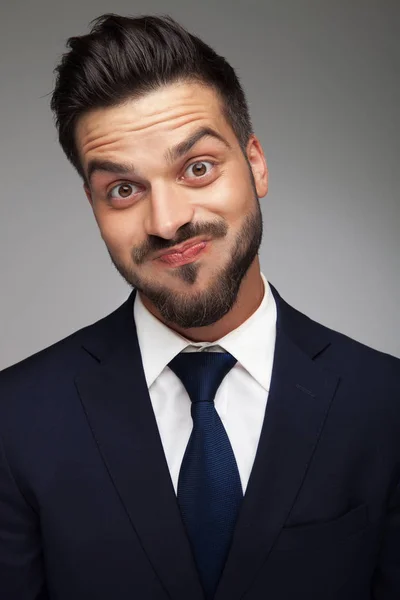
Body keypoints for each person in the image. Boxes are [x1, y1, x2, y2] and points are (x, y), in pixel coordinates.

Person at [0, 13, 399, 600]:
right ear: (93, 204)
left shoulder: (386, 404)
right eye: (124, 189)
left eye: (198, 168)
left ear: (256, 164)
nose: (168, 222)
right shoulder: (14, 421)